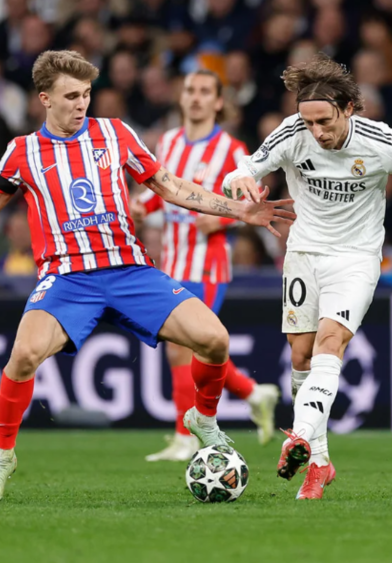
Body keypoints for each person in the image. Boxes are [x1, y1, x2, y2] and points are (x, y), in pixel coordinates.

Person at [0, 50, 295, 503]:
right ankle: (2, 457)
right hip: (68, 278)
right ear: (44, 98)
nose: (81, 104)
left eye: (87, 94)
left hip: (129, 270)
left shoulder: (115, 134)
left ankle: (203, 420)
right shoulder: (22, 152)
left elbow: (171, 187)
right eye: (71, 96)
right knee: (24, 354)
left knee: (215, 340)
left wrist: (238, 209)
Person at [222, 53, 392, 499]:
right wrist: (239, 181)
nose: (316, 132)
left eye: (324, 121)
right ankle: (319, 461)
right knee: (300, 358)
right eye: (308, 121)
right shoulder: (293, 133)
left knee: (329, 342)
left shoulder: (380, 141)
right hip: (303, 254)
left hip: (355, 258)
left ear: (348, 108)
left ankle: (297, 436)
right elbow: (247, 166)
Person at [132, 69, 280, 462]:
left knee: (185, 346)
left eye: (204, 92)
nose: (195, 98)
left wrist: (223, 218)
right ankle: (253, 393)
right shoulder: (167, 142)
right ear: (181, 99)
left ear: (218, 102)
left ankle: (185, 436)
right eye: (190, 91)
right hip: (173, 262)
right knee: (183, 348)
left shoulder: (232, 150)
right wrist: (140, 206)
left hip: (209, 268)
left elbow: (252, 204)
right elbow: (159, 190)